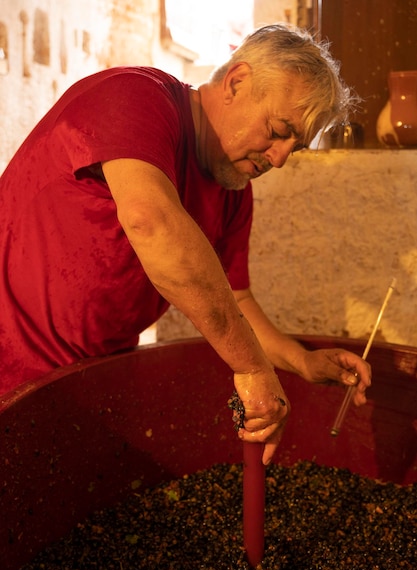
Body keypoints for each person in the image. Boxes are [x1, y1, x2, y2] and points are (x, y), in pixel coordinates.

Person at [0, 23, 371, 465]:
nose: (280, 158)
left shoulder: (231, 187)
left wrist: (300, 361)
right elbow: (151, 222)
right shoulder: (135, 97)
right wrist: (251, 368)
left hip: (91, 378)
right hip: (11, 367)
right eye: (277, 129)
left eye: (296, 146)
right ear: (236, 82)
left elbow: (236, 299)